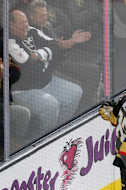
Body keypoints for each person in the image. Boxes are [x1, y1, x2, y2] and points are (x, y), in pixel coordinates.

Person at [8, 9, 83, 140]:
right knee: (51, 105)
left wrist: (72, 41)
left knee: (76, 92)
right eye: (21, 23)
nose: (26, 25)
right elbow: (28, 63)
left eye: (26, 21)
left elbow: (55, 44)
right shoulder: (9, 41)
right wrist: (49, 52)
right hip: (24, 90)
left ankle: (58, 133)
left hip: (46, 81)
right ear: (11, 25)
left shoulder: (32, 31)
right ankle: (40, 141)